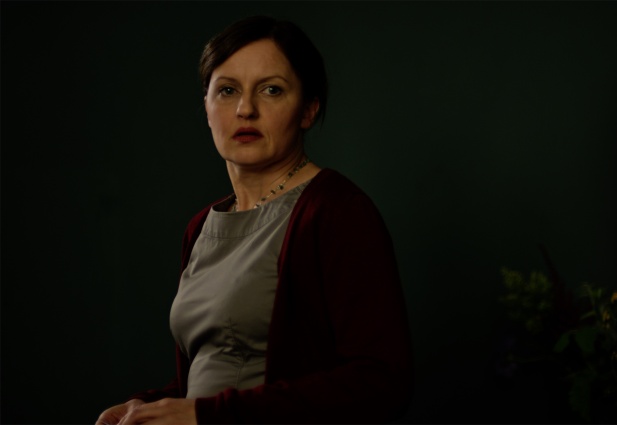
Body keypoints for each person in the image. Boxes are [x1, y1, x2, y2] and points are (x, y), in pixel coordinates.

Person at [95, 15, 413, 425]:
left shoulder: (336, 211)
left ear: (308, 110)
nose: (246, 109)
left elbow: (381, 383)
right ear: (206, 108)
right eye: (227, 90)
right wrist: (146, 406)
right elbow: (215, 374)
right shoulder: (201, 227)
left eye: (271, 90)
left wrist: (207, 415)